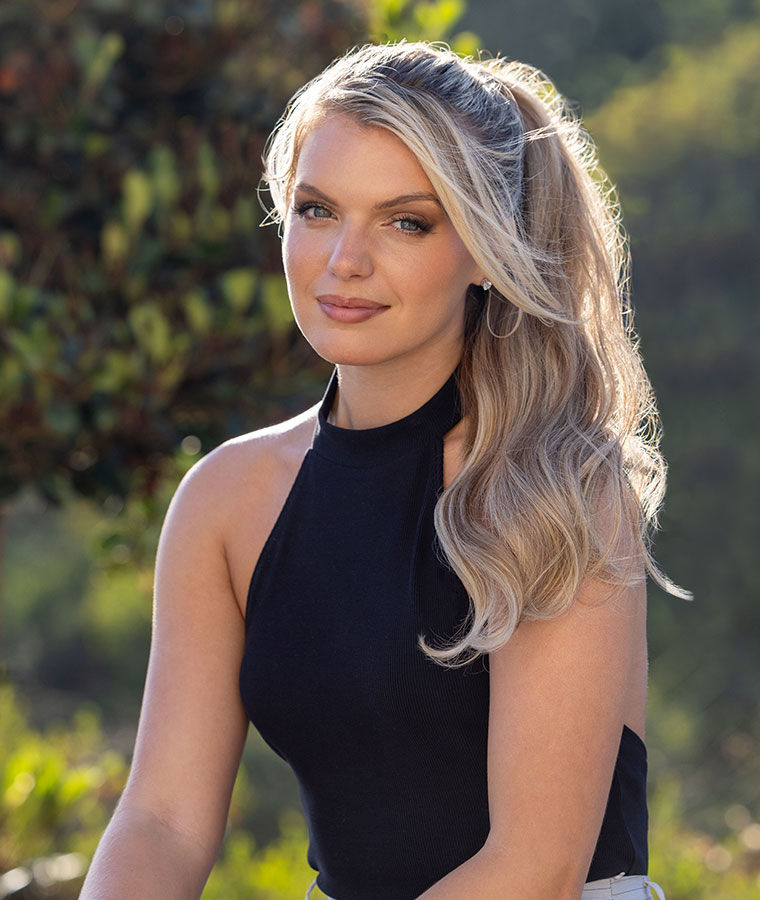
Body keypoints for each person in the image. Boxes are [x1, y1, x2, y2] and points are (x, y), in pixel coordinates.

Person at [79, 41, 688, 900]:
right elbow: (163, 820)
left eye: (407, 221)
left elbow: (535, 870)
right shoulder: (225, 500)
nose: (344, 261)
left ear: (485, 249)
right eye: (317, 210)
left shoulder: (563, 491)